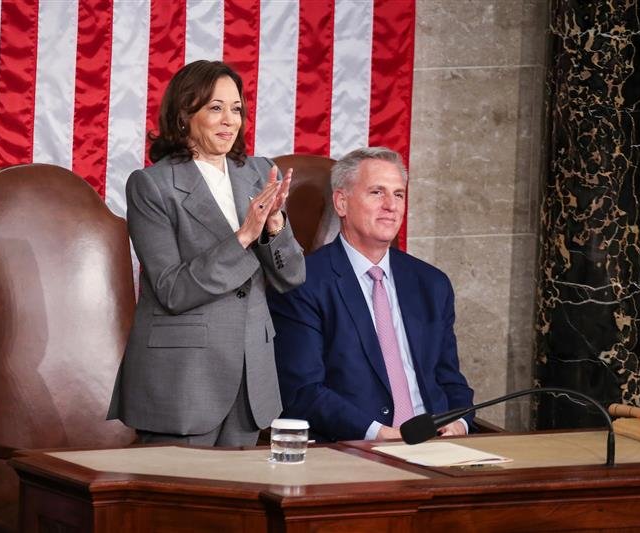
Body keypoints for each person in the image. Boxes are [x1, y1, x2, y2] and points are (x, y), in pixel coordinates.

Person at [107, 60, 305, 447]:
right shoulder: (152, 185)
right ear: (184, 115)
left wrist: (275, 227)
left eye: (236, 109)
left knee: (241, 504)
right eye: (215, 108)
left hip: (252, 377)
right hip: (183, 380)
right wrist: (245, 235)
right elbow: (172, 289)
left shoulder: (261, 173)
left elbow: (292, 277)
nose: (229, 120)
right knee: (175, 504)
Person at [268, 147, 473, 442]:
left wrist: (460, 424)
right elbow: (304, 392)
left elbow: (451, 380)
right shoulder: (305, 282)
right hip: (355, 449)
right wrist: (380, 434)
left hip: (439, 446)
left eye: (399, 194)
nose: (391, 205)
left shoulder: (432, 284)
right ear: (341, 202)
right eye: (377, 192)